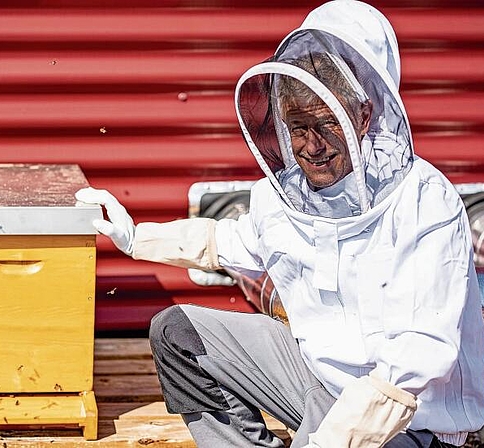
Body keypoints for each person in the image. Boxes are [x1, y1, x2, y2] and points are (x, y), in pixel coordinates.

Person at [76, 1, 484, 447]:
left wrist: (331, 440)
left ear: (363, 117)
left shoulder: (424, 199)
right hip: (318, 386)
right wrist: (138, 236)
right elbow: (231, 240)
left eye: (328, 124)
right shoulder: (285, 196)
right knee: (179, 332)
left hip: (414, 427)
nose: (312, 146)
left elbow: (420, 355)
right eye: (297, 126)